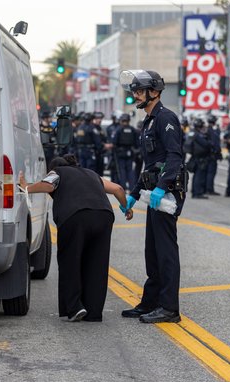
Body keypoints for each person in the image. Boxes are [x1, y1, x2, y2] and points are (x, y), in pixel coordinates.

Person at [19, 154, 132, 322]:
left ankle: (74, 307)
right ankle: (94, 312)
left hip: (75, 217)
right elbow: (118, 189)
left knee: (69, 261)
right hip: (104, 216)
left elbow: (49, 185)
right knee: (96, 264)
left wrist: (26, 186)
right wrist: (126, 208)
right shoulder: (91, 174)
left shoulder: (58, 172)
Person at [118, 69, 187, 324]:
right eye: (133, 91)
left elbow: (174, 157)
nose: (135, 95)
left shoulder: (165, 118)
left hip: (167, 193)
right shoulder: (148, 121)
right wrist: (134, 195)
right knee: (152, 251)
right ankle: (151, 302)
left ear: (154, 92)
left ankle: (169, 308)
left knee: (166, 252)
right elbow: (149, 164)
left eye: (139, 91)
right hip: (153, 191)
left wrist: (163, 187)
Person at [111, 113, 138, 191]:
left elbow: (114, 142)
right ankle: (131, 188)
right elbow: (137, 142)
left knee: (122, 170)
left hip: (120, 153)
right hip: (130, 152)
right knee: (130, 171)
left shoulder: (118, 129)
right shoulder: (133, 129)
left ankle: (123, 187)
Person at [189, 118, 212, 199]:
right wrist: (210, 143)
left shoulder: (191, 133)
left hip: (195, 157)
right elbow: (206, 144)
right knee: (199, 175)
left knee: (196, 175)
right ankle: (197, 193)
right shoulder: (197, 134)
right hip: (200, 158)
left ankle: (195, 191)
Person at [205, 115, 221, 196]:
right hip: (212, 155)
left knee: (208, 172)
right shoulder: (212, 131)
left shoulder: (206, 130)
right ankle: (209, 189)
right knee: (211, 172)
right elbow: (215, 144)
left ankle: (207, 188)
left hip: (208, 155)